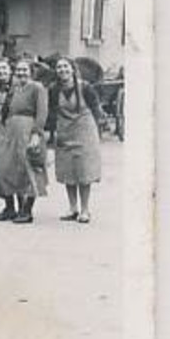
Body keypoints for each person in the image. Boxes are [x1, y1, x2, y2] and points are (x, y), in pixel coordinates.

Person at [47, 57, 106, 223]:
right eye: (59, 67)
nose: (62, 70)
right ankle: (72, 208)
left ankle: (85, 210)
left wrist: (95, 132)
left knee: (84, 171)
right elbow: (51, 112)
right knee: (68, 171)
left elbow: (96, 109)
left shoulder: (85, 88)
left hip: (84, 132)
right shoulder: (54, 89)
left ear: (72, 69)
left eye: (65, 66)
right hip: (65, 131)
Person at [0, 59, 50, 224]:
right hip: (11, 131)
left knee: (27, 168)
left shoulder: (37, 88)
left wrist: (36, 134)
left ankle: (26, 210)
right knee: (6, 167)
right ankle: (10, 208)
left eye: (24, 70)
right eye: (18, 70)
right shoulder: (15, 88)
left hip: (27, 129)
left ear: (31, 71)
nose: (21, 73)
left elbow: (42, 113)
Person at [0, 57, 18, 221]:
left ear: (10, 71)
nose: (1, 72)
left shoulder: (18, 87)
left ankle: (22, 206)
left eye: (4, 69)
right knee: (1, 169)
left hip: (12, 129)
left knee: (15, 166)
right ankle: (9, 205)